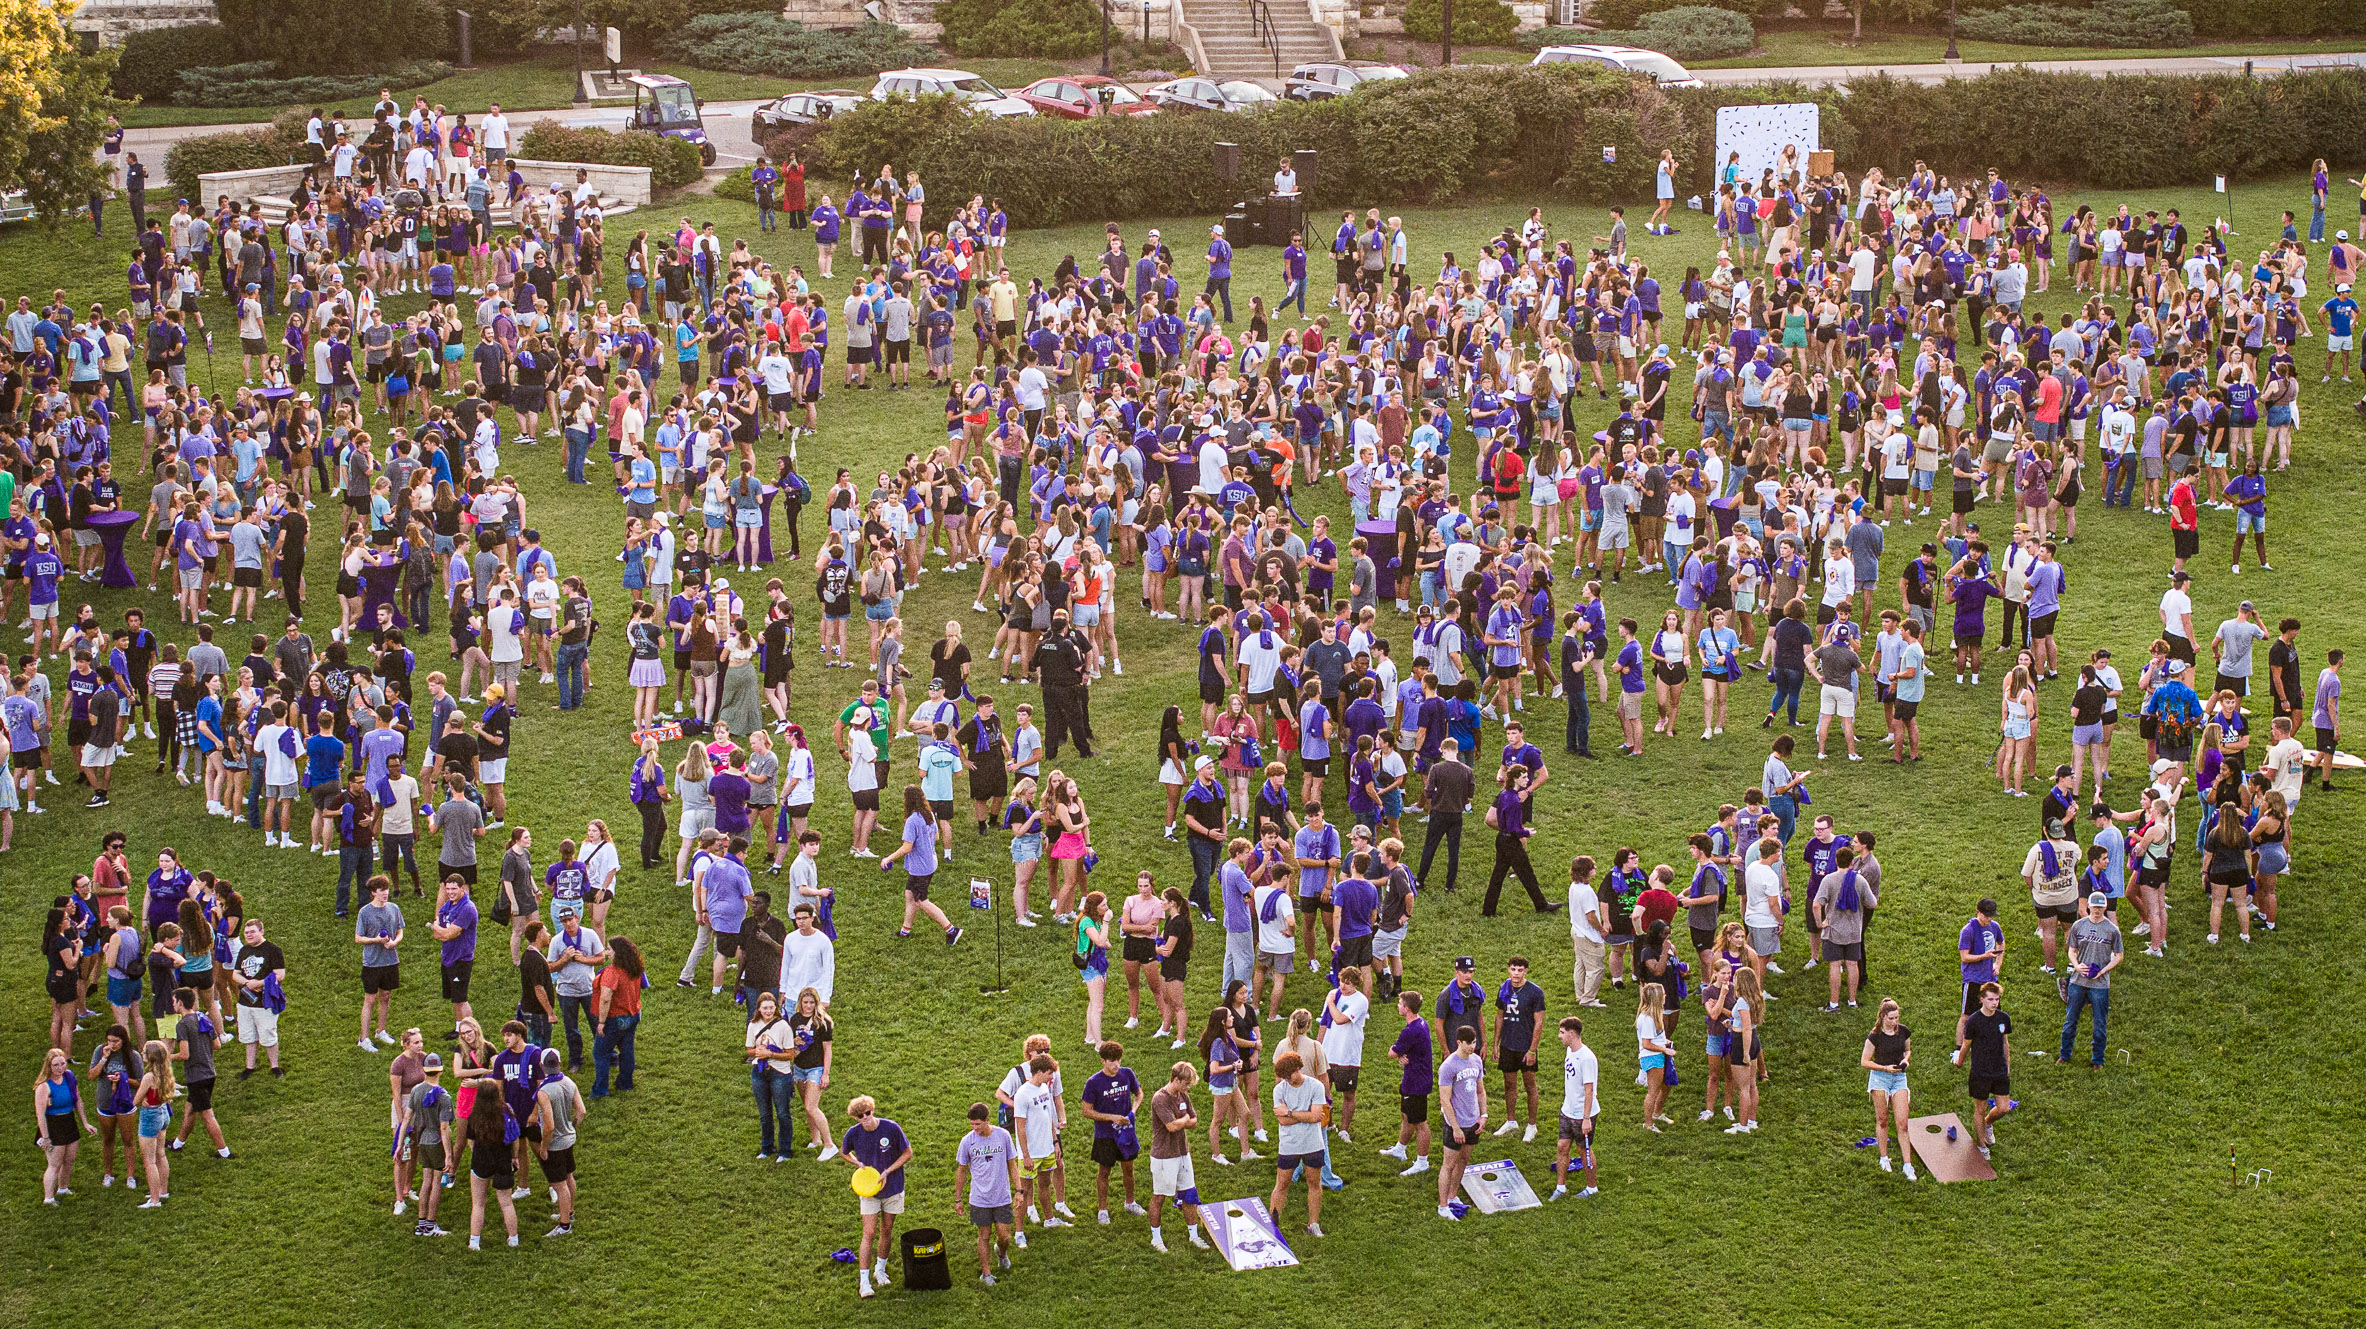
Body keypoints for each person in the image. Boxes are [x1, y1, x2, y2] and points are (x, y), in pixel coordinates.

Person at [839, 1094, 912, 1300]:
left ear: (873, 1110)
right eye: (860, 1116)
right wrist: (858, 1164)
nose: (866, 1118)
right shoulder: (854, 1134)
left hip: (894, 1187)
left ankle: (880, 1269)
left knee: (887, 1229)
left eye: (868, 1113)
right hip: (869, 1190)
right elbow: (844, 1152)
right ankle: (864, 1281)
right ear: (856, 1117)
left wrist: (888, 1171)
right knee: (869, 1233)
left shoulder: (891, 1128)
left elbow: (907, 1153)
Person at [1144, 1062, 1213, 1253]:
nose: (1188, 1088)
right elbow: (1172, 1126)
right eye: (1186, 1084)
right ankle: (1156, 1238)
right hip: (1164, 1156)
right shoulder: (1160, 1098)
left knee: (1189, 1194)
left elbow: (1194, 1121)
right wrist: (1183, 1121)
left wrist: (1181, 1121)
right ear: (1176, 1079)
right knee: (1160, 1196)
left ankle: (1194, 1235)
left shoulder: (1183, 1095)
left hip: (1183, 1153)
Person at [953, 1102, 1022, 1283]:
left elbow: (1012, 1165)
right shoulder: (967, 1141)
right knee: (984, 1236)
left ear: (987, 1120)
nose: (975, 1128)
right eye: (972, 1124)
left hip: (1002, 1197)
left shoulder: (1003, 1136)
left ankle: (1001, 1253)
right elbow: (961, 1170)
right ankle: (986, 1273)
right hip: (979, 1198)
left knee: (1004, 1236)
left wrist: (1019, 1190)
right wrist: (958, 1199)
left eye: (978, 1124)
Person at [1267, 1050, 1329, 1238]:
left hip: (1312, 1144)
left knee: (1314, 1183)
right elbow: (1283, 1121)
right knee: (1282, 1184)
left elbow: (1317, 1116)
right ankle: (1273, 1225)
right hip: (1289, 1145)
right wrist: (1305, 1115)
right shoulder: (1279, 1090)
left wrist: (1291, 1113)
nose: (1287, 1080)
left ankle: (1314, 1223)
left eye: (1289, 1075)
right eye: (1284, 1077)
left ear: (1298, 1069)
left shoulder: (1316, 1086)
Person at [2059, 891, 2123, 1067]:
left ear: (2105, 907)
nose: (2097, 910)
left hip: (2100, 984)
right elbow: (2072, 950)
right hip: (2078, 981)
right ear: (2088, 906)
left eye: (2100, 907)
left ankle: (2098, 1060)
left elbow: (2119, 955)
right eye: (2094, 906)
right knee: (2070, 1020)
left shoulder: (2112, 930)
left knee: (2100, 1025)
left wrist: (2103, 971)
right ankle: (2064, 1055)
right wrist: (2076, 965)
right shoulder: (2078, 926)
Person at [1488, 955, 1547, 1142]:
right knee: (1509, 1084)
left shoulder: (1535, 992)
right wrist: (1495, 1044)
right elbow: (1499, 1016)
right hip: (1508, 1043)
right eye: (1513, 969)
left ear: (1525, 971)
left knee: (1530, 1085)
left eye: (1520, 970)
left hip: (1525, 1045)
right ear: (1508, 970)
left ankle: (1532, 1125)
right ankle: (1511, 1121)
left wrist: (1532, 1050)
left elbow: (1539, 1023)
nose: (1516, 973)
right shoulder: (1504, 988)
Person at [398, 1052, 455, 1236]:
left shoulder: (416, 1090)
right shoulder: (444, 1096)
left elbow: (406, 1119)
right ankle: (431, 1224)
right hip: (436, 1143)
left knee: (425, 1182)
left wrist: (400, 1144)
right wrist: (448, 1155)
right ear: (440, 1071)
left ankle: (421, 1224)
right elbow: (444, 1128)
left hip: (421, 1141)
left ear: (424, 1070)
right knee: (436, 1183)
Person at [531, 1047, 586, 1237]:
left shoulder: (544, 1092)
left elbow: (548, 1126)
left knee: (560, 1184)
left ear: (541, 1065)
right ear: (560, 1063)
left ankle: (564, 1226)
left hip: (554, 1144)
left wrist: (544, 1147)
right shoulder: (569, 1082)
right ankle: (568, 1213)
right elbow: (581, 1112)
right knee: (569, 1177)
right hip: (569, 1139)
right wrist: (572, 1127)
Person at [1861, 998, 1917, 1180]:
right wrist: (1885, 1068)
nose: (1895, 1022)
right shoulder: (1875, 1036)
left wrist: (1906, 1059)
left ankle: (1908, 1165)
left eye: (1897, 1018)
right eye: (1891, 1018)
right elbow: (1865, 1061)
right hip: (1880, 1077)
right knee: (1883, 1119)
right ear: (1883, 1017)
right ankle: (1884, 1158)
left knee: (1903, 1123)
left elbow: (1907, 1050)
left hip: (1899, 1077)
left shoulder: (1903, 1032)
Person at [1958, 981, 2015, 1160]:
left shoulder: (2003, 1018)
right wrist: (1959, 1061)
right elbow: (1967, 1044)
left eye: (1997, 999)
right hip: (1980, 1071)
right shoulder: (1974, 1021)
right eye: (1990, 999)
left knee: (2004, 1108)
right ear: (1982, 999)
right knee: (1980, 1108)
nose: (1994, 1003)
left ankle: (1988, 1123)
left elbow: (2005, 1043)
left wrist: (2007, 1065)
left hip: (1998, 1070)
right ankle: (1982, 1145)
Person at [1434, 1025, 1485, 1221]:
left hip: (1473, 1121)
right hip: (1455, 1124)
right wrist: (1455, 1127)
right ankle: (1442, 1205)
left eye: (1474, 1042)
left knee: (1464, 1160)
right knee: (1448, 1164)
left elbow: (1481, 1091)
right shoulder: (1448, 1066)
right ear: (1458, 1043)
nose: (1472, 1046)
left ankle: (1453, 1196)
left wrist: (1484, 1115)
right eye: (1468, 1043)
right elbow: (1444, 1101)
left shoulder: (1477, 1061)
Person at [37, 1045, 97, 1203]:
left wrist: (85, 1123)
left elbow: (78, 1100)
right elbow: (40, 1115)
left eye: (62, 1063)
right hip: (53, 1124)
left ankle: (63, 1187)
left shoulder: (69, 1077)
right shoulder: (44, 1086)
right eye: (56, 1065)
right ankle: (48, 1198)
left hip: (69, 1121)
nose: (60, 1068)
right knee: (54, 1164)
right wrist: (46, 1137)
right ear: (49, 1066)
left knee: (69, 1159)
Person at [1549, 1015, 1598, 1200]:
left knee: (1583, 1150)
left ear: (1572, 1034)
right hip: (1567, 1110)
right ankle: (1560, 1187)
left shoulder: (1586, 1058)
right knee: (1562, 1146)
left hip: (1582, 1114)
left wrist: (1586, 1118)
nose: (1559, 1036)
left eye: (1562, 1033)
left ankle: (1592, 1187)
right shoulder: (1570, 1051)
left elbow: (1589, 1090)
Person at [355, 874, 405, 1051]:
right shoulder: (365, 912)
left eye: (387, 889)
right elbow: (358, 938)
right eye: (381, 890)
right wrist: (376, 940)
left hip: (390, 960)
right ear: (373, 892)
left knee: (386, 996)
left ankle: (381, 1031)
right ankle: (364, 1038)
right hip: (372, 962)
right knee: (370, 999)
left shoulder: (393, 908)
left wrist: (395, 942)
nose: (385, 893)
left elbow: (400, 931)